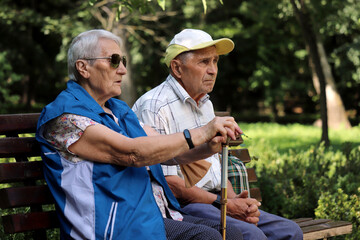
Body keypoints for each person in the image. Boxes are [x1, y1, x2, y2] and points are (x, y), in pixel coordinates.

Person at [35, 29, 245, 240]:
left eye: (123, 60)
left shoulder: (117, 110)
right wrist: (200, 132)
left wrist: (208, 146)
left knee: (232, 234)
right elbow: (132, 154)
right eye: (114, 61)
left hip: (148, 218)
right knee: (208, 238)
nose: (123, 70)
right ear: (83, 67)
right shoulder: (66, 118)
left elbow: (168, 152)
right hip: (113, 228)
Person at [132, 28, 303, 240]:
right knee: (252, 237)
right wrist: (226, 204)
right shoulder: (155, 106)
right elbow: (170, 185)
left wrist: (238, 202)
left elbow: (216, 168)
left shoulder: (206, 103)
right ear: (177, 68)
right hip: (188, 206)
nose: (213, 70)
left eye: (215, 61)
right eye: (204, 62)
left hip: (217, 201)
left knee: (290, 232)